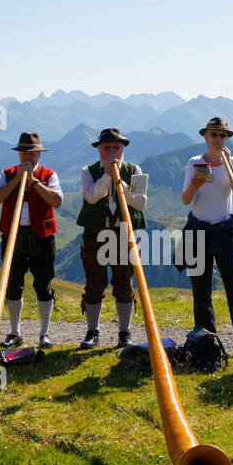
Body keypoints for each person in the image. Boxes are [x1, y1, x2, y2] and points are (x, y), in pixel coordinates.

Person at [178, 116, 233, 357]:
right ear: (205, 137)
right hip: (198, 229)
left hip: (225, 229)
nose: (218, 139)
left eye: (222, 135)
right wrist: (194, 185)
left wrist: (226, 163)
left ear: (227, 139)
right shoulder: (194, 162)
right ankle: (206, 341)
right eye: (213, 135)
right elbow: (185, 199)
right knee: (201, 287)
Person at [0, 132, 64, 348]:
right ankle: (14, 332)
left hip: (42, 237)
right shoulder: (7, 174)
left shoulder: (49, 175)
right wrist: (17, 181)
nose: (27, 158)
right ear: (18, 154)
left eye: (31, 154)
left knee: (43, 284)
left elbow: (57, 201)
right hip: (13, 235)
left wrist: (34, 182)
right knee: (12, 285)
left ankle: (44, 333)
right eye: (23, 153)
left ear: (39, 154)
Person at [77, 128, 146, 349]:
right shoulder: (88, 171)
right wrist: (107, 176)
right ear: (99, 150)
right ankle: (92, 331)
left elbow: (139, 202)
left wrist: (121, 184)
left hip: (124, 233)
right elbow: (90, 196)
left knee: (124, 283)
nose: (113, 152)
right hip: (95, 234)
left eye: (117, 147)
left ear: (123, 149)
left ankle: (124, 333)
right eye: (107, 148)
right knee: (94, 283)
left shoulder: (133, 170)